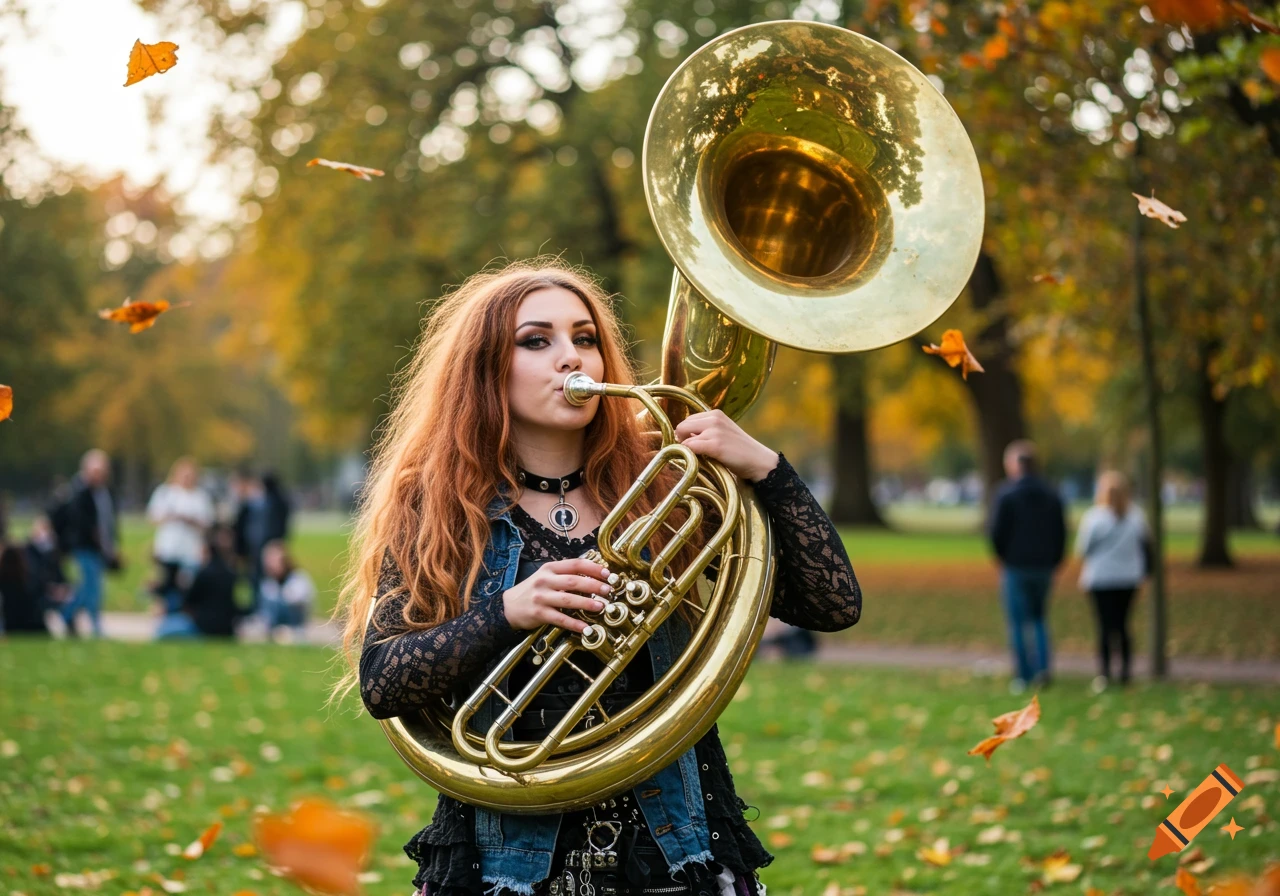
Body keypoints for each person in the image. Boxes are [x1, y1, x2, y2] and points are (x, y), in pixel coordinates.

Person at [334, 261, 862, 896]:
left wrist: (768, 470)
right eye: (537, 341)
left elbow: (832, 604)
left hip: (675, 848)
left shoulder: (667, 488)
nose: (570, 357)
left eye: (585, 338)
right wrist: (509, 611)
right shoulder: (437, 505)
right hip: (508, 865)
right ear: (484, 370)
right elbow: (382, 681)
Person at [988, 439, 1066, 694]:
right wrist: (1054, 560)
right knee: (1040, 618)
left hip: (1016, 566)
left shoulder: (1007, 494)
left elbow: (997, 532)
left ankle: (1024, 674)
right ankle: (1043, 669)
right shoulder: (1052, 493)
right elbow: (1061, 531)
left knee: (1018, 622)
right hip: (1043, 566)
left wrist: (1002, 557)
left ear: (1014, 465)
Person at [1074, 471, 1149, 693]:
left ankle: (1105, 673)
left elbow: (1083, 550)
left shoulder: (1095, 518)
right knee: (1123, 625)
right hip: (1128, 578)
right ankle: (1126, 672)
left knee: (1105, 627)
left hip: (1101, 578)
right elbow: (1145, 547)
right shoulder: (1136, 517)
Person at [59, 449, 122, 637]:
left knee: (92, 588)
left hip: (101, 547)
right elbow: (77, 521)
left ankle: (70, 616)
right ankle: (87, 623)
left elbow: (110, 521)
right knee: (90, 588)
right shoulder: (79, 491)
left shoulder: (106, 492)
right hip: (85, 547)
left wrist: (113, 544)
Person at [146, 457, 215, 618]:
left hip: (190, 550)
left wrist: (191, 520)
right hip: (169, 548)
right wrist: (171, 517)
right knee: (166, 584)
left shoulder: (200, 497)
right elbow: (153, 517)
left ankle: (182, 613)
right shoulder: (166, 492)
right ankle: (165, 614)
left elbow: (208, 523)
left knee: (186, 584)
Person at [183, 525, 243, 638]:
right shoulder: (233, 573)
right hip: (227, 627)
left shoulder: (204, 572)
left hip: (203, 626)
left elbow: (188, 602)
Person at [258, 539, 314, 640]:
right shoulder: (268, 583)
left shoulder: (298, 580)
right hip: (273, 629)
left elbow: (296, 604)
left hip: (297, 629)